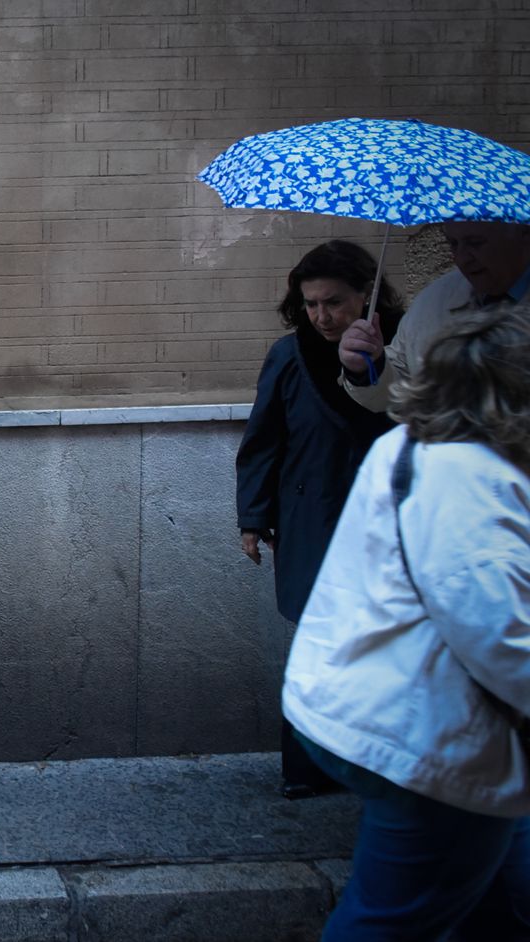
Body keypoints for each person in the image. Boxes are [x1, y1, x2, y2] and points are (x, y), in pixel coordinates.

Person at [283, 303, 530, 939]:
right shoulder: (466, 475)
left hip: (379, 707)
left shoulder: (414, 447)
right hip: (424, 730)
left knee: (473, 899)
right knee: (394, 917)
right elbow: (498, 630)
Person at [235, 240, 404, 798]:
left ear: (366, 295)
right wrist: (253, 518)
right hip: (311, 516)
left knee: (383, 642)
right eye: (310, 304)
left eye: (333, 302)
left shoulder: (401, 350)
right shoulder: (290, 355)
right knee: (317, 642)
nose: (321, 316)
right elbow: (263, 439)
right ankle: (307, 769)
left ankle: (375, 762)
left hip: (383, 516)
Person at [339, 221, 530, 411]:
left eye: (476, 243)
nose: (462, 258)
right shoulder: (434, 301)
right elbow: (399, 389)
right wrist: (368, 366)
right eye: (453, 243)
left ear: (523, 234)